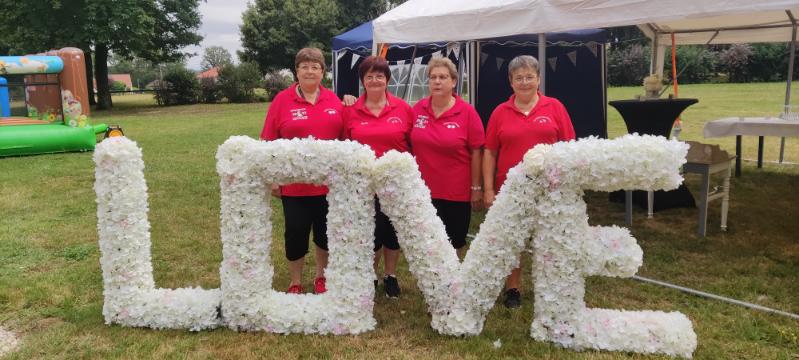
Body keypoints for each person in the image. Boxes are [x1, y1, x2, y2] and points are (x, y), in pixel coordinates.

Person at [483, 55, 576, 308]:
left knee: (549, 238)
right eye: (518, 78)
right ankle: (513, 289)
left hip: (550, 188)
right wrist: (489, 189)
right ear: (510, 82)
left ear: (538, 79)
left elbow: (569, 147)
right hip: (510, 189)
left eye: (529, 77)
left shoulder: (554, 107)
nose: (524, 82)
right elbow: (490, 151)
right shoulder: (500, 112)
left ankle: (552, 287)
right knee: (513, 239)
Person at [260, 47, 344, 295]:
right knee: (295, 234)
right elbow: (268, 140)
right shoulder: (282, 100)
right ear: (296, 71)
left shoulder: (334, 100)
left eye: (315, 66)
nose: (310, 71)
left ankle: (321, 277)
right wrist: (273, 179)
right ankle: (295, 281)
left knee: (324, 235)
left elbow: (345, 141)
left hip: (328, 185)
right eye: (304, 66)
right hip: (294, 186)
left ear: (322, 72)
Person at [343, 56, 414, 298]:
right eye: (369, 76)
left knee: (392, 232)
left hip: (395, 184)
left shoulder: (403, 109)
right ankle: (370, 274)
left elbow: (413, 145)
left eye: (379, 76)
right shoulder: (350, 110)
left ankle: (391, 275)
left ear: (387, 80)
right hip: (363, 186)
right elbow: (344, 145)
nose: (375, 80)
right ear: (363, 81)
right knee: (370, 232)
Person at [410, 57, 485, 259]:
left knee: (456, 240)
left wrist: (476, 188)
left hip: (456, 190)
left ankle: (453, 280)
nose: (437, 81)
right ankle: (433, 280)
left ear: (453, 81)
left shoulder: (467, 112)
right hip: (423, 190)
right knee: (427, 239)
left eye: (443, 77)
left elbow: (477, 151)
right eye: (432, 77)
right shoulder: (417, 110)